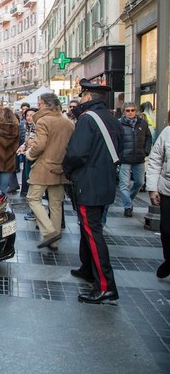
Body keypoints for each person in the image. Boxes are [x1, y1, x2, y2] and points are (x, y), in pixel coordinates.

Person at [63, 79, 123, 304]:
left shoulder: (88, 119)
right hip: (104, 182)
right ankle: (87, 268)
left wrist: (67, 169)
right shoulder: (111, 119)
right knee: (90, 228)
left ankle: (106, 286)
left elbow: (76, 153)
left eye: (82, 95)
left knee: (92, 232)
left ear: (87, 97)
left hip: (88, 183)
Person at [25, 93, 75, 250]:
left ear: (46, 104)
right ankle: (54, 242)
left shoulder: (44, 121)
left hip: (44, 167)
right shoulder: (68, 123)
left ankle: (49, 232)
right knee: (56, 204)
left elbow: (40, 145)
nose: (38, 106)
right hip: (61, 168)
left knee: (33, 198)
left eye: (39, 104)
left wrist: (29, 154)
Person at [118, 101, 152, 217]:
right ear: (123, 112)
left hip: (139, 158)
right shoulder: (119, 124)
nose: (130, 113)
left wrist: (146, 151)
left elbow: (148, 137)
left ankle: (129, 200)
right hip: (125, 159)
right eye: (128, 110)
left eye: (132, 110)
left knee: (139, 182)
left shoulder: (143, 123)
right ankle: (128, 206)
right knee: (124, 184)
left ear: (136, 111)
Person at [147, 110, 170, 278]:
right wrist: (153, 188)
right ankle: (169, 259)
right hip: (167, 190)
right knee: (167, 229)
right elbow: (155, 161)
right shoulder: (167, 133)